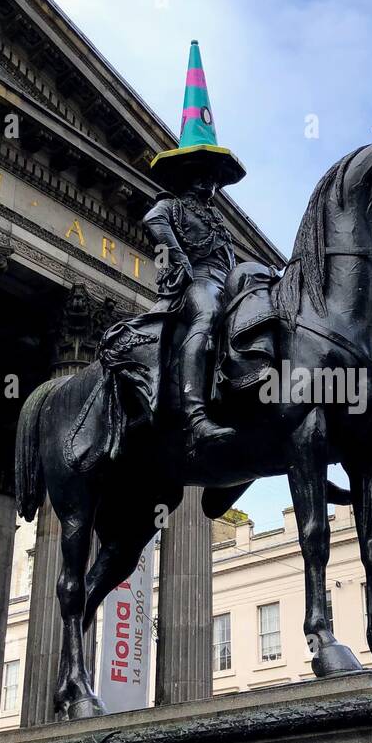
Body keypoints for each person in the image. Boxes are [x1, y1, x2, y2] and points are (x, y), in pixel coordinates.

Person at [142, 40, 247, 453]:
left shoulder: (218, 221)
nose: (208, 183)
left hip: (228, 283)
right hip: (198, 284)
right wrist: (181, 258)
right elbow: (152, 221)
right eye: (200, 174)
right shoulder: (170, 206)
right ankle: (195, 414)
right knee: (206, 318)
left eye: (212, 177)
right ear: (185, 175)